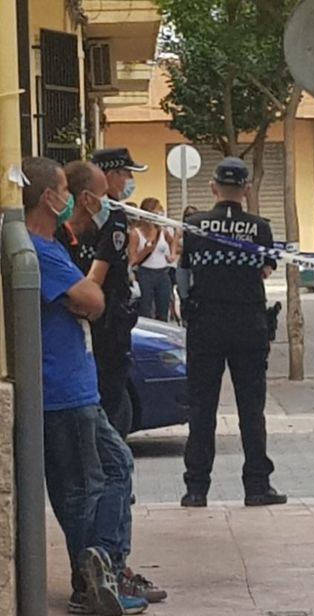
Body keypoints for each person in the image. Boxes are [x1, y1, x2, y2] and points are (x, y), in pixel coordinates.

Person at [23, 157, 149, 616]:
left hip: (80, 388)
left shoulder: (52, 243)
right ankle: (90, 580)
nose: (73, 200)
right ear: (50, 197)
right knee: (81, 490)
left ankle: (107, 566)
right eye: (65, 189)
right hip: (61, 392)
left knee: (115, 466)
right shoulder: (35, 249)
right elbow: (91, 299)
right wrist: (92, 284)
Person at [61, 160, 167, 606]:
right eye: (105, 192)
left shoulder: (84, 235)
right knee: (103, 473)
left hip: (97, 368)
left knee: (107, 470)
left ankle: (104, 572)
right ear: (87, 198)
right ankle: (99, 576)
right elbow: (90, 296)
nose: (112, 199)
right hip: (87, 374)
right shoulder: (66, 241)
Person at [180, 157, 287, 507]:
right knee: (251, 408)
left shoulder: (194, 225)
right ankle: (257, 485)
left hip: (205, 324)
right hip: (248, 325)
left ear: (212, 187)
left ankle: (196, 489)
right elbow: (266, 271)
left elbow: (184, 274)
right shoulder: (260, 229)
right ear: (247, 189)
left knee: (201, 408)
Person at [84, 147, 146, 439]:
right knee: (110, 397)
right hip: (108, 321)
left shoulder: (85, 213)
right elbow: (97, 275)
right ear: (110, 175)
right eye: (125, 174)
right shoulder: (114, 217)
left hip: (97, 319)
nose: (129, 180)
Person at [128, 197, 176, 321]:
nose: (159, 214)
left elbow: (173, 242)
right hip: (145, 274)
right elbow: (132, 260)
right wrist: (145, 250)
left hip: (163, 273)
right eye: (156, 211)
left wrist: (172, 255)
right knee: (146, 309)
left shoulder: (162, 230)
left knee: (163, 309)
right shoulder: (136, 233)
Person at [175, 205, 198, 325]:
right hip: (183, 264)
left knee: (194, 294)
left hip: (195, 265)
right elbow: (175, 248)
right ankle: (184, 321)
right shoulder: (180, 230)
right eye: (188, 215)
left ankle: (194, 320)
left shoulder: (199, 231)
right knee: (183, 295)